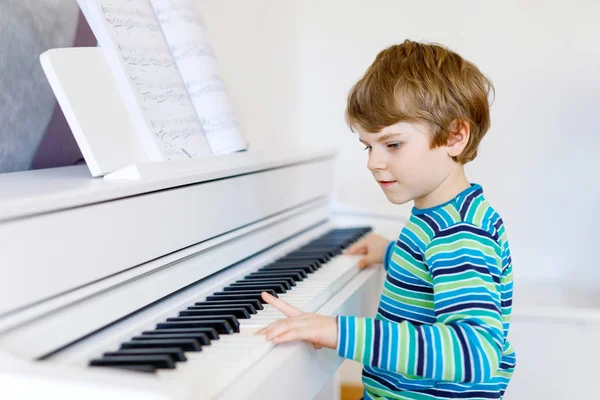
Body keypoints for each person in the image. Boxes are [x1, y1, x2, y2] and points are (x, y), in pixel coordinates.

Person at [257, 39, 516, 399]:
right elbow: (434, 274)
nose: (373, 162)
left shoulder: (460, 232)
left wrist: (338, 333)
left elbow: (475, 352)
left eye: (392, 144)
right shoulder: (443, 218)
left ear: (455, 136)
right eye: (368, 146)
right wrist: (394, 252)